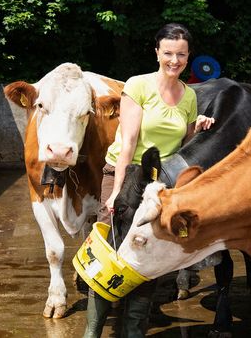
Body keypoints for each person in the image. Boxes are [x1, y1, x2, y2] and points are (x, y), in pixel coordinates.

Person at [83, 23, 215, 338]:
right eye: (168, 53)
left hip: (160, 182)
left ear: (188, 56)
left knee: (149, 254)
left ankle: (134, 331)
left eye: (181, 54)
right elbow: (128, 142)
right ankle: (92, 331)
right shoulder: (138, 86)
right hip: (125, 175)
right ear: (157, 52)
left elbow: (183, 146)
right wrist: (115, 194)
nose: (174, 60)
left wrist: (199, 127)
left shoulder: (189, 95)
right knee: (111, 253)